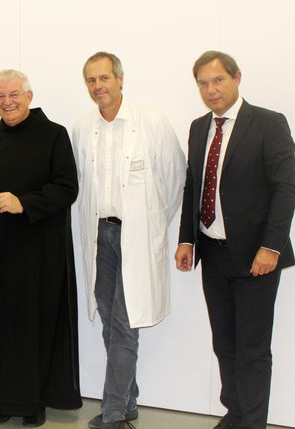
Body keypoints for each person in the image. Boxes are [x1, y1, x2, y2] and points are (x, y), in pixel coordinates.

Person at [175, 51, 295, 429]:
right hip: (213, 253)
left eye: (218, 81)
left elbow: (286, 187)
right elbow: (193, 186)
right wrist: (186, 240)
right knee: (224, 344)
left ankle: (253, 423)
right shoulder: (198, 128)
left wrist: (271, 246)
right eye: (203, 83)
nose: (211, 90)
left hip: (257, 257)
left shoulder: (268, 123)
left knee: (253, 350)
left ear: (237, 78)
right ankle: (236, 414)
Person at [71, 52, 186, 429]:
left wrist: (151, 224)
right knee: (108, 320)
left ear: (120, 79)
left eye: (104, 78)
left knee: (125, 321)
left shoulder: (151, 122)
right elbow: (79, 184)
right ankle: (130, 400)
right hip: (99, 234)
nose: (98, 86)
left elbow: (174, 180)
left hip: (135, 234)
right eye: (91, 80)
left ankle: (114, 413)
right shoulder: (83, 128)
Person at [0, 69, 82, 427]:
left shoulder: (54, 135)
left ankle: (34, 402)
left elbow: (67, 188)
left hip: (39, 253)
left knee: (35, 327)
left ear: (29, 96)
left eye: (14, 94)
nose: (8, 101)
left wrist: (24, 203)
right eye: (0, 96)